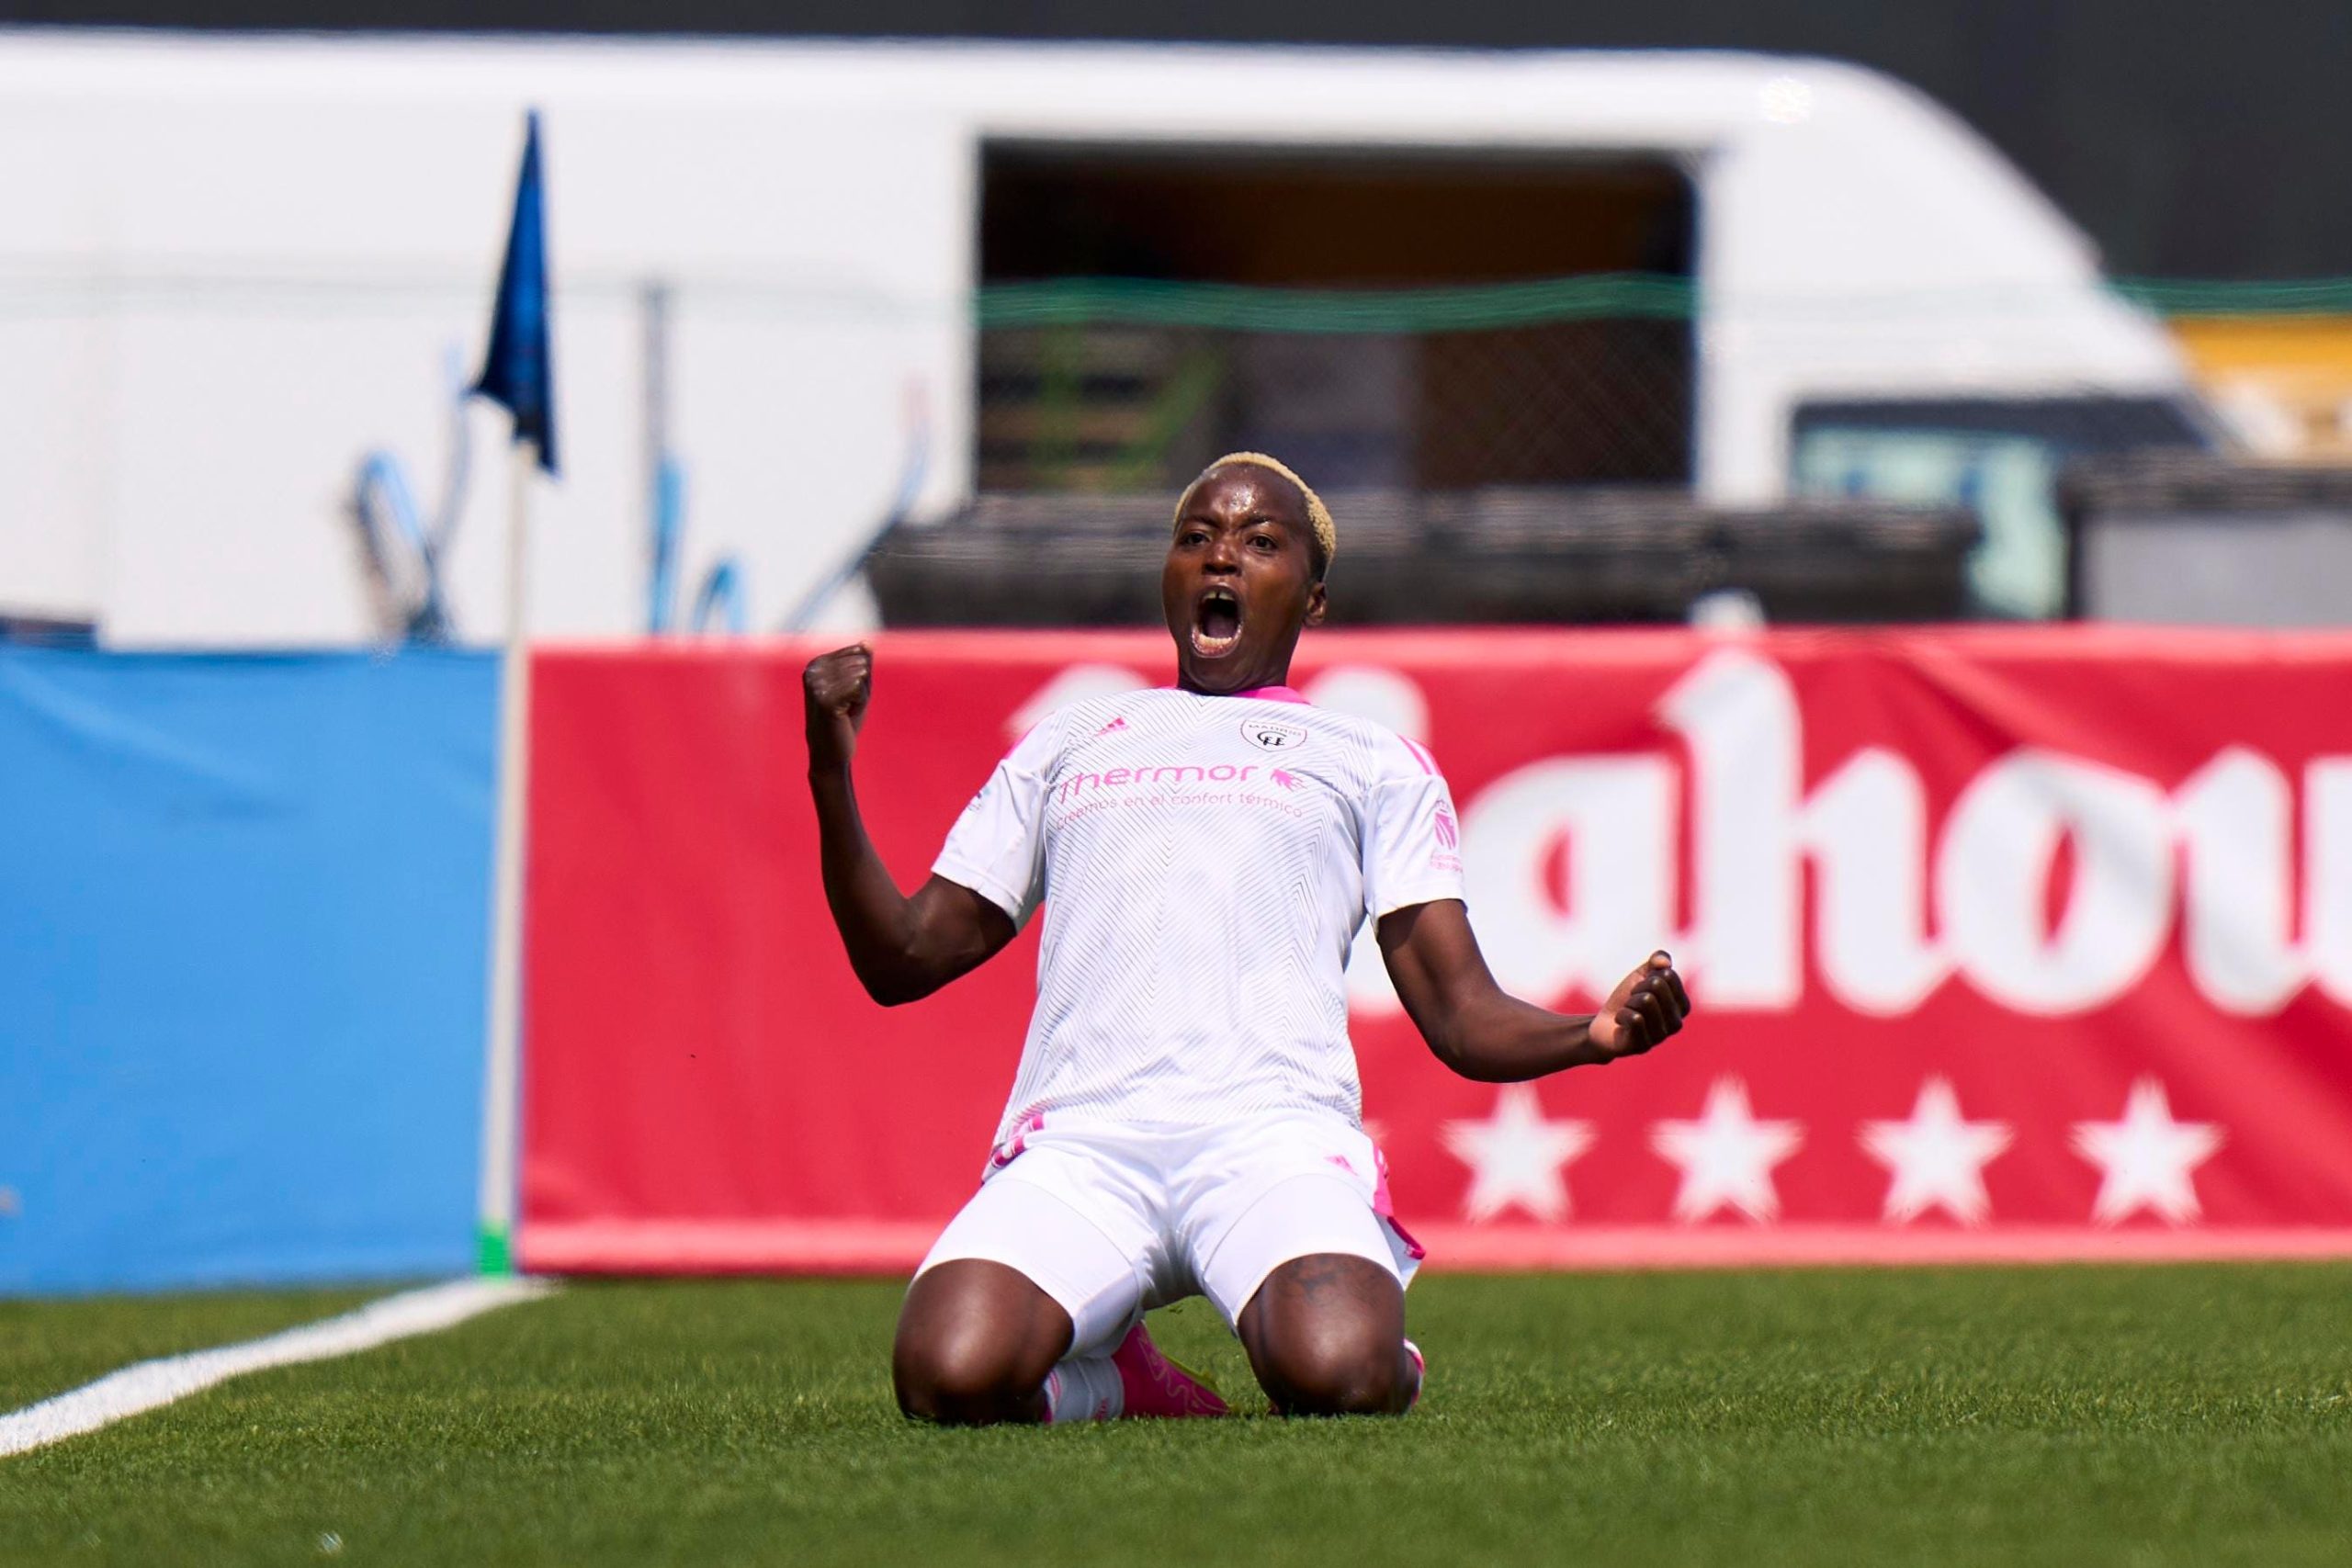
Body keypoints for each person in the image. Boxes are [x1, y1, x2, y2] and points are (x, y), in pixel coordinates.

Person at [802, 453, 1690, 1425]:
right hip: (1085, 1146)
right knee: (945, 1376)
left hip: (1272, 1143)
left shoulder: (1371, 761)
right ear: (1170, 576)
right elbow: (902, 958)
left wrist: (1589, 1036)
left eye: (1259, 542)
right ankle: (1117, 1382)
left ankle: (1379, 1347)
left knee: (1342, 1377)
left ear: (1312, 598)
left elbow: (1460, 1012)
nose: (1221, 556)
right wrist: (830, 772)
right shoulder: (1072, 739)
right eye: (1197, 537)